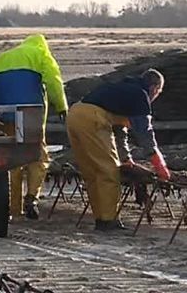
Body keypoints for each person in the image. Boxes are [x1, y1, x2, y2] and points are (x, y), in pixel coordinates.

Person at [65, 68, 171, 232]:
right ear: (155, 89)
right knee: (109, 173)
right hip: (93, 119)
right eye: (159, 92)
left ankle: (100, 218)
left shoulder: (123, 88)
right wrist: (159, 163)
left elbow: (120, 132)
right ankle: (109, 221)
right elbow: (145, 133)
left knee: (92, 173)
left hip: (74, 115)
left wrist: (126, 158)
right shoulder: (140, 96)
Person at [0, 34, 68, 220]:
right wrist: (61, 106)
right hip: (30, 114)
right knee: (38, 157)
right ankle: (31, 197)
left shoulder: (0, 59)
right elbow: (53, 81)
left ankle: (12, 208)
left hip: (2, 115)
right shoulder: (40, 54)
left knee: (10, 161)